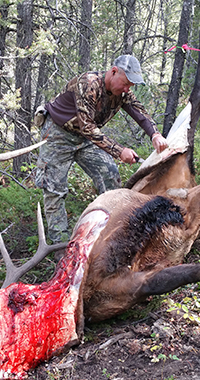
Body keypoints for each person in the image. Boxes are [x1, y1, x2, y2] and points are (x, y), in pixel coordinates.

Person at [34, 55, 168, 247]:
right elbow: (88, 127)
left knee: (110, 176)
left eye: (130, 85)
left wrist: (154, 134)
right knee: (54, 190)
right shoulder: (88, 84)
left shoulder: (122, 92)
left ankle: (109, 234)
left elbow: (139, 112)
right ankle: (61, 247)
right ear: (113, 72)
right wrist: (119, 151)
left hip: (86, 138)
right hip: (58, 135)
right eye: (125, 83)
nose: (127, 89)